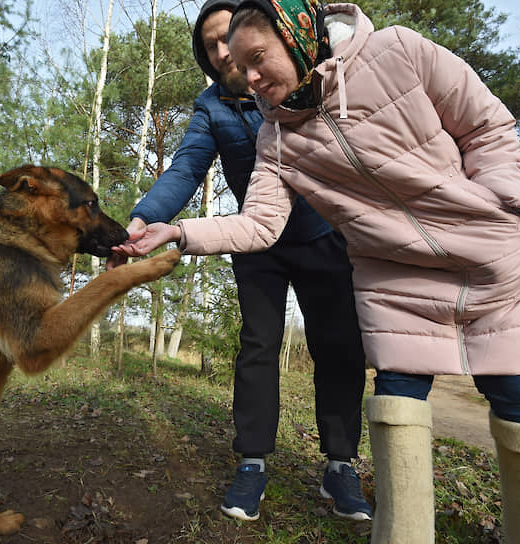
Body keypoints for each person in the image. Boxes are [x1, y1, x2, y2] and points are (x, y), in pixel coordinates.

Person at [113, 1, 520, 542]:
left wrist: (501, 200)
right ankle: (257, 464)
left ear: (295, 34)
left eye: (249, 53)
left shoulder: (394, 52)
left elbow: (483, 124)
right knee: (314, 369)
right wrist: (162, 223)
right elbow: (205, 182)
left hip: (381, 243)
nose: (240, 68)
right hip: (325, 256)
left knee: (367, 355)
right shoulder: (254, 127)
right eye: (226, 56)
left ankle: (341, 466)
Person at [106, 0, 371, 523]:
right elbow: (184, 172)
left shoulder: (301, 80)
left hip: (323, 237)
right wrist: (141, 221)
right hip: (255, 240)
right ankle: (252, 463)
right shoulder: (212, 109)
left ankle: (340, 466)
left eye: (230, 35)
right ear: (205, 58)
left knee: (339, 346)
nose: (224, 50)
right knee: (258, 347)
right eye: (210, 44)